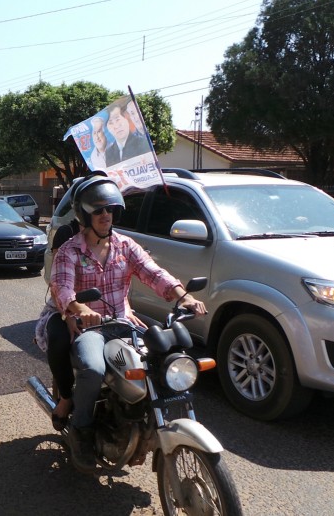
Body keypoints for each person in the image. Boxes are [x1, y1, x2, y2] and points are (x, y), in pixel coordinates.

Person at [34, 174, 206, 473]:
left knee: (162, 358)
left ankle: (145, 421)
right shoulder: (70, 250)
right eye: (98, 210)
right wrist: (78, 307)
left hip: (122, 321)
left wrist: (183, 297)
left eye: (110, 209)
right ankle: (81, 430)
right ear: (85, 215)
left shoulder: (126, 246)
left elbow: (153, 272)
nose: (105, 215)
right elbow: (61, 288)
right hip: (90, 326)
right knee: (92, 369)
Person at [104, 100, 151, 167]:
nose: (116, 126)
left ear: (126, 119)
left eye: (118, 120)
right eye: (111, 123)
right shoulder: (108, 153)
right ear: (108, 128)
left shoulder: (143, 143)